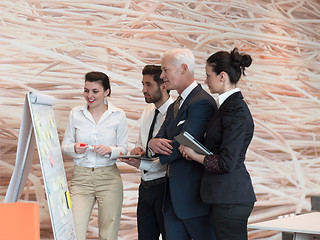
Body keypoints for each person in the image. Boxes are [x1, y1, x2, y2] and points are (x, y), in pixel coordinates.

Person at [179, 48, 257, 240]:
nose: (205, 81)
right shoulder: (227, 107)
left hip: (231, 197)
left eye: (208, 75)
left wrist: (194, 154)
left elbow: (226, 162)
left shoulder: (235, 110)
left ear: (222, 76)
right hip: (225, 196)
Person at [148, 48, 217, 240]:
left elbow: (183, 143)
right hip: (171, 198)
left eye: (165, 70)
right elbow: (159, 138)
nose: (162, 76)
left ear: (184, 69)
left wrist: (159, 147)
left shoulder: (202, 102)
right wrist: (153, 142)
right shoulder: (174, 105)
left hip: (194, 198)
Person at [61, 71, 128, 240]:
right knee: (74, 232)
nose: (89, 96)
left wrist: (110, 150)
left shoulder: (118, 115)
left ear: (106, 92)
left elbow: (124, 149)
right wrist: (75, 148)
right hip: (81, 179)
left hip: (109, 178)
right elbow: (64, 147)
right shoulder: (75, 113)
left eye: (95, 91)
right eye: (86, 90)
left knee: (108, 234)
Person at [120, 65, 173, 240]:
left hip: (166, 188)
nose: (143, 90)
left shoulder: (175, 113)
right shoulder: (147, 112)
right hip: (145, 187)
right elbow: (141, 143)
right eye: (143, 84)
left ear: (163, 85)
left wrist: (141, 163)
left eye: (148, 85)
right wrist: (138, 150)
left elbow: (169, 158)